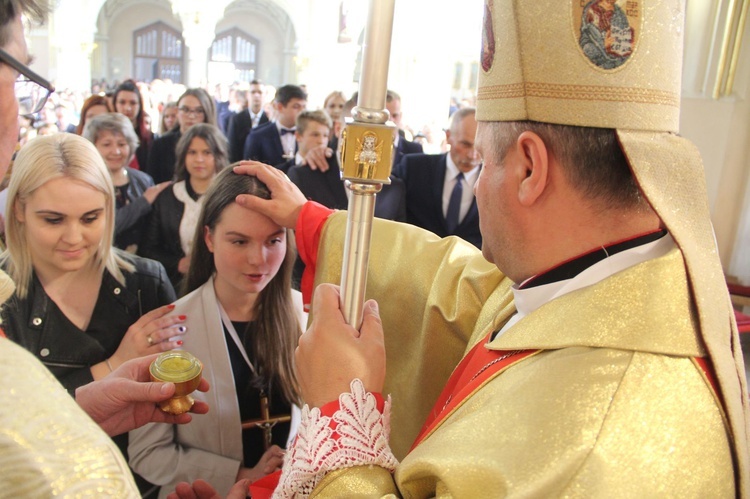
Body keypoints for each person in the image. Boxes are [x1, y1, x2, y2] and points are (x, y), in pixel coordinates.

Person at [231, 0, 750, 495]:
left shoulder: (591, 454)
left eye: (483, 161)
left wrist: (339, 421)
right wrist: (314, 224)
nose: (476, 183)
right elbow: (463, 291)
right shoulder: (600, 281)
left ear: (529, 168)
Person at [0, 132, 186, 493]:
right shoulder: (2, 295)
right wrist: (113, 366)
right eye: (53, 220)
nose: (74, 237)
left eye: (90, 218)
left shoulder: (144, 283)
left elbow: (177, 403)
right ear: (19, 209)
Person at [129, 168, 307, 497]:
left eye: (273, 241)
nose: (258, 259)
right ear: (209, 238)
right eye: (239, 241)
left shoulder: (307, 316)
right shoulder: (171, 330)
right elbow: (149, 453)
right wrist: (241, 475)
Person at [140, 123, 228, 291]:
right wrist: (177, 263)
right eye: (192, 152)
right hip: (176, 286)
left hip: (222, 284)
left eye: (207, 152)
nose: (199, 159)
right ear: (183, 156)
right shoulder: (167, 196)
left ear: (218, 156)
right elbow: (147, 248)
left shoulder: (229, 196)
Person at [394, 107, 482, 247]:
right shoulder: (414, 168)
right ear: (448, 137)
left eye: (480, 146)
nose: (473, 155)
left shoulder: (499, 183)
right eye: (465, 144)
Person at [83, 112, 170, 252]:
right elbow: (104, 227)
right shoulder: (87, 184)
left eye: (122, 144)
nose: (116, 151)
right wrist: (144, 201)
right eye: (106, 144)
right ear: (92, 147)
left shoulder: (143, 180)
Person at [147, 88, 217, 183]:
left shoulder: (218, 144)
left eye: (199, 110)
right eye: (185, 109)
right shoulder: (161, 145)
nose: (191, 116)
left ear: (206, 113)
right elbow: (152, 181)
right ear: (177, 111)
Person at [243, 84, 306, 166]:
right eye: (296, 106)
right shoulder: (257, 136)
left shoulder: (308, 135)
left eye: (304, 107)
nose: (302, 112)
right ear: (280, 107)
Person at [113, 79, 153, 170]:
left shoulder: (150, 139)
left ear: (140, 106)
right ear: (115, 104)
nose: (128, 108)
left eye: (133, 103)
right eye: (122, 102)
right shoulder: (106, 135)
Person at [227, 80, 269, 163]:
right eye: (253, 92)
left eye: (260, 92)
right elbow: (231, 148)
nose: (256, 95)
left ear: (265, 95)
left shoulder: (269, 119)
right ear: (247, 95)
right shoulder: (236, 119)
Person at [387, 89, 423, 167]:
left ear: (400, 116)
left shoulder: (414, 151)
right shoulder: (367, 146)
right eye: (386, 116)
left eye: (394, 115)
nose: (390, 120)